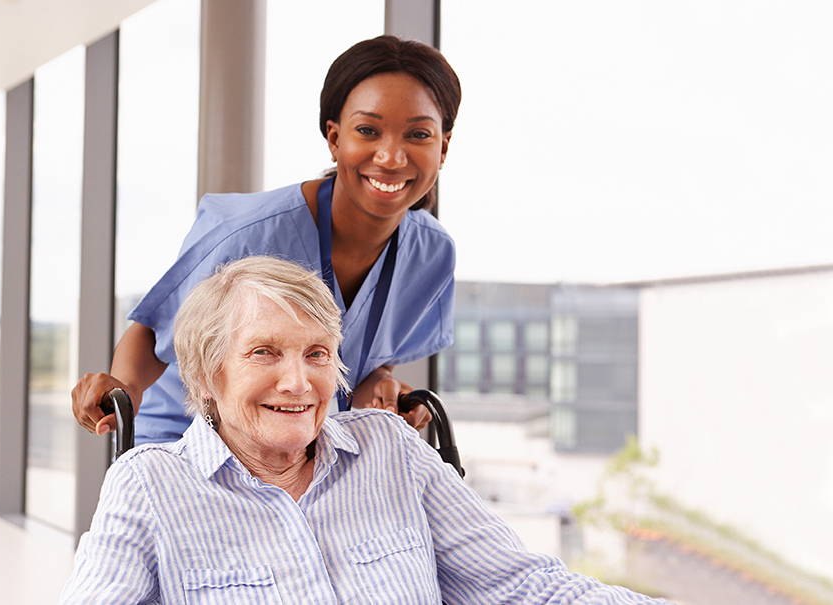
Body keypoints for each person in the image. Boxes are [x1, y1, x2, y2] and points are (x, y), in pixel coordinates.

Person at [60, 257, 671, 604]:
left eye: (319, 354)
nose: (299, 383)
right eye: (265, 353)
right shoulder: (149, 485)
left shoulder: (392, 449)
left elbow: (522, 587)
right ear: (208, 373)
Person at [73, 34, 459, 444]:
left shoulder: (432, 254)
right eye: (367, 130)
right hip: (187, 444)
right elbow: (153, 332)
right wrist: (124, 390)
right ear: (334, 138)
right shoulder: (248, 233)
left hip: (300, 455)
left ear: (443, 147)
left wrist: (379, 382)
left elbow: (369, 354)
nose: (391, 157)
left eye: (418, 135)